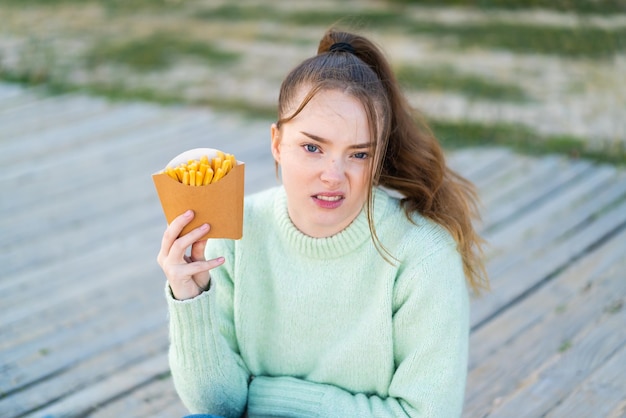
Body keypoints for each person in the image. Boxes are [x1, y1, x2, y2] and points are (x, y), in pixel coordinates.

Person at [157, 27, 489, 418]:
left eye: (359, 155)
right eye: (312, 147)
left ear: (379, 156)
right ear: (277, 143)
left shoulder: (423, 254)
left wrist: (267, 397)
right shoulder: (238, 230)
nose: (334, 175)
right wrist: (189, 298)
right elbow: (218, 406)